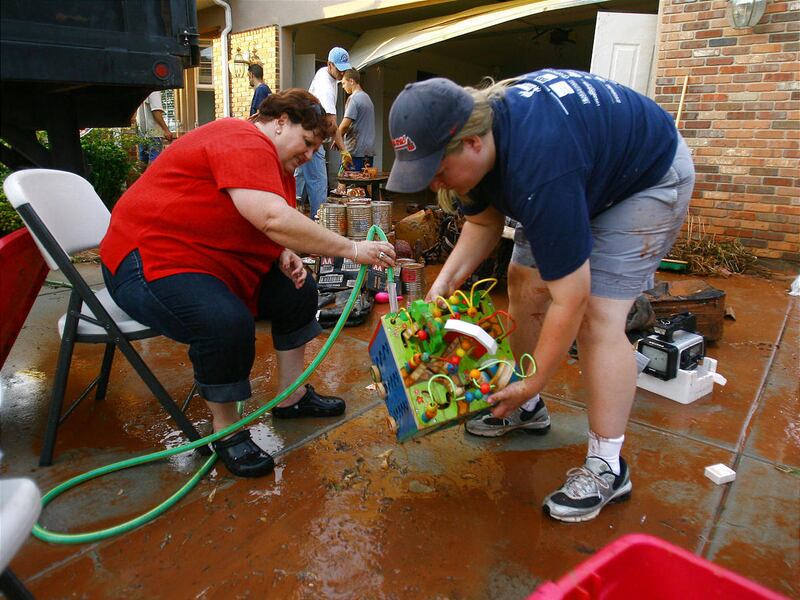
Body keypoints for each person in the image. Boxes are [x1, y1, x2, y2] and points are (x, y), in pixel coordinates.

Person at [385, 70, 695, 522]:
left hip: (644, 177)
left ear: (472, 143)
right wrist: (441, 287)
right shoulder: (482, 143)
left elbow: (570, 298)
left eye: (438, 171)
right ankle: (526, 410)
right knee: (523, 281)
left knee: (597, 317)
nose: (435, 185)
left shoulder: (539, 167)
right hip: (581, 171)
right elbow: (484, 222)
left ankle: (608, 466)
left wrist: (534, 378)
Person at [101, 89, 396, 478]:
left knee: (298, 290)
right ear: (281, 121)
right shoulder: (240, 138)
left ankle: (291, 396)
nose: (310, 155)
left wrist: (278, 250)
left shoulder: (275, 163)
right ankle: (226, 430)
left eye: (315, 150)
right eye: (307, 142)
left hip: (208, 261)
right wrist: (352, 248)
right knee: (225, 320)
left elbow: (247, 216)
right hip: (146, 261)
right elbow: (271, 217)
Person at [296, 46, 354, 219]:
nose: (342, 73)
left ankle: (291, 215)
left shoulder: (324, 73)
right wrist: (344, 150)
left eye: (345, 69)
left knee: (298, 181)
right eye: (339, 69)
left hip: (302, 135)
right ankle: (319, 221)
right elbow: (331, 125)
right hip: (311, 139)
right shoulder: (326, 87)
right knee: (318, 183)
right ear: (330, 64)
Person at [338, 68, 375, 172]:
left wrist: (337, 138)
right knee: (364, 179)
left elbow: (345, 125)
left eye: (344, 83)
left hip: (354, 151)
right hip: (368, 151)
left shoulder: (353, 99)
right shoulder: (367, 98)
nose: (343, 86)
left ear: (351, 81)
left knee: (347, 179)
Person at [135, 90, 174, 167]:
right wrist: (166, 130)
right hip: (154, 133)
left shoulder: (142, 89)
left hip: (142, 133)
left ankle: (143, 175)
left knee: (143, 162)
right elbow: (156, 111)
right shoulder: (154, 90)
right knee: (154, 163)